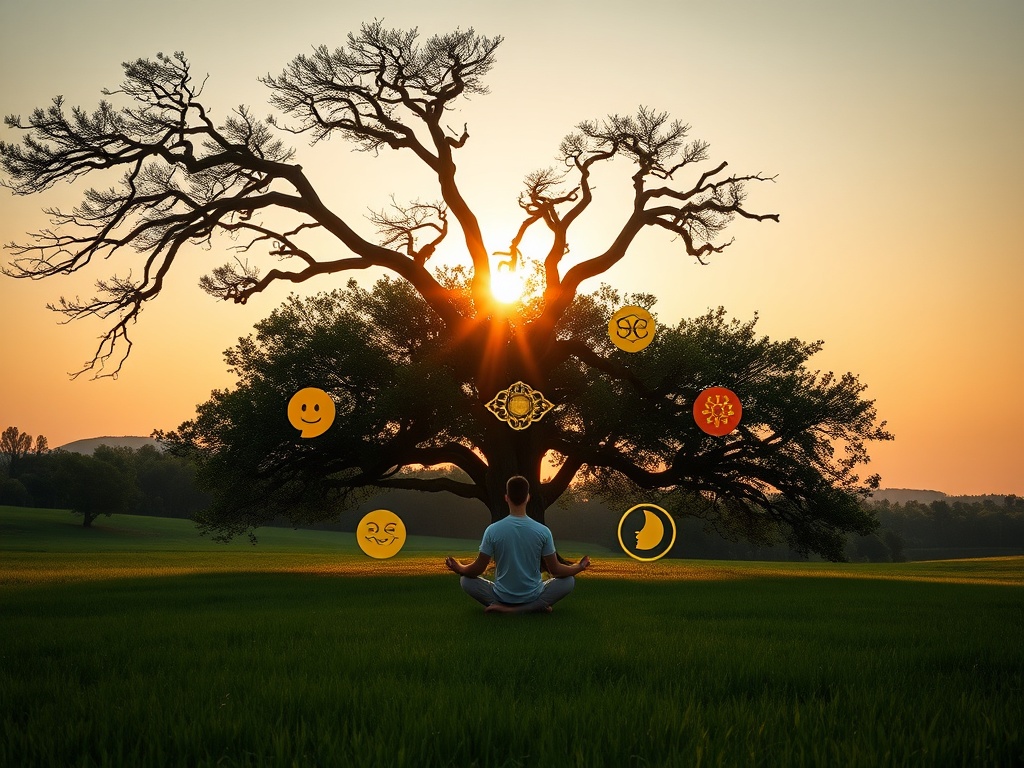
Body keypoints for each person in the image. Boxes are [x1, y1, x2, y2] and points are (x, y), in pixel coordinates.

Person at [444, 475, 590, 613]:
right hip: (533, 596)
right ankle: (532, 608)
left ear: (506, 498)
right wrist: (579, 567)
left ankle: (505, 608)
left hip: (502, 596)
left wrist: (460, 568)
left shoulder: (492, 530)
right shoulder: (543, 531)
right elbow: (556, 570)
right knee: (568, 581)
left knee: (465, 580)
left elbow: (478, 569)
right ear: (528, 498)